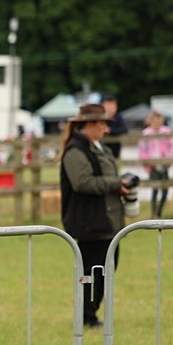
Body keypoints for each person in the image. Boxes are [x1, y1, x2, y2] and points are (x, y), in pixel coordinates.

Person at [60, 103, 132, 328]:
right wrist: (116, 184)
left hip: (105, 221)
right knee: (92, 273)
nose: (106, 129)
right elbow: (82, 182)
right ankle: (86, 316)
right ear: (89, 124)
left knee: (105, 270)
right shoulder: (75, 151)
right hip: (89, 222)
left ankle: (91, 313)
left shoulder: (98, 148)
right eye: (102, 124)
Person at [139, 111, 173, 218]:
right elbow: (142, 150)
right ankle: (154, 213)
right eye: (154, 121)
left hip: (164, 163)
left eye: (159, 121)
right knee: (154, 189)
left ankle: (159, 211)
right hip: (152, 164)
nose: (157, 123)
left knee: (165, 190)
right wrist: (146, 164)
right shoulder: (146, 133)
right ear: (150, 121)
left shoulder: (166, 131)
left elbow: (172, 147)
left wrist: (169, 160)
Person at [102, 95, 128, 159]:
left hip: (115, 149)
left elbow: (124, 129)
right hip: (102, 147)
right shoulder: (100, 119)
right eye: (108, 107)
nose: (110, 109)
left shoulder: (118, 117)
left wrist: (110, 130)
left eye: (112, 107)